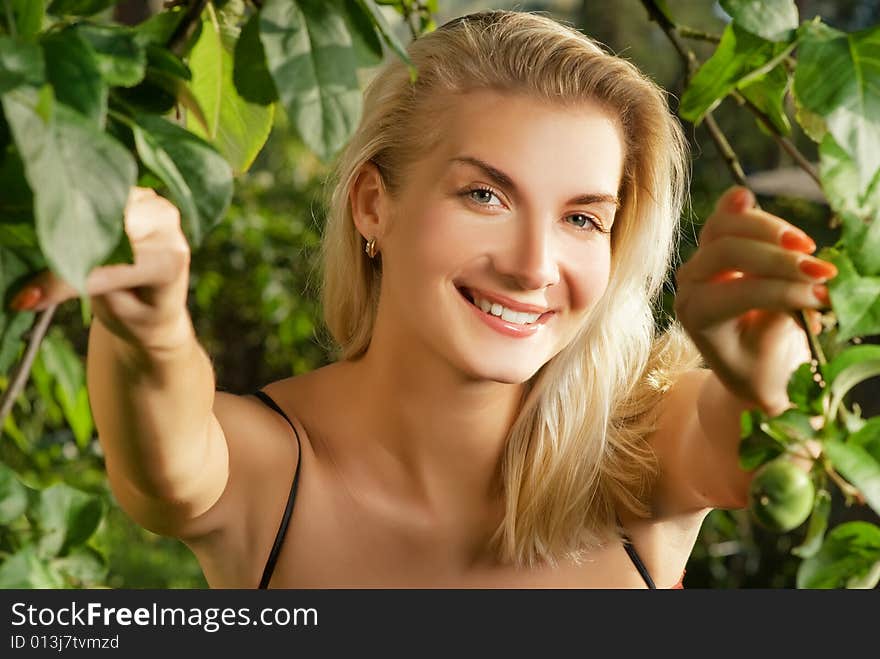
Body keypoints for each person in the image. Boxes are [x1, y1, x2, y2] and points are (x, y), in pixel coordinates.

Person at [9, 10, 835, 588]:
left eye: (583, 217)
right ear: (374, 204)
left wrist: (771, 368)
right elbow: (168, 459)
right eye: (486, 196)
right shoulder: (274, 465)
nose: (532, 264)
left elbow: (746, 442)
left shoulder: (644, 447)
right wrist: (150, 327)